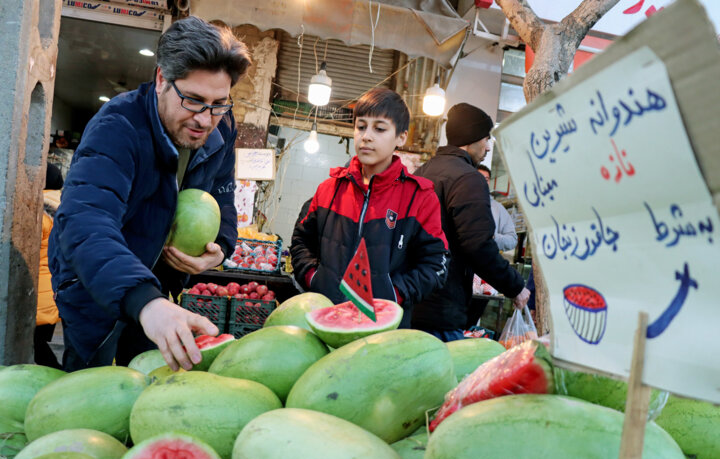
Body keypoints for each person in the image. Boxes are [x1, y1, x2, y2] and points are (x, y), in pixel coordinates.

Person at [48, 16, 251, 372]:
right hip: (95, 282)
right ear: (161, 79)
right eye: (193, 100)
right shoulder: (117, 127)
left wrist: (218, 251)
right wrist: (146, 302)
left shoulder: (221, 131)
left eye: (219, 103)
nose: (206, 119)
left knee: (148, 383)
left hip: (158, 286)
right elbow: (85, 222)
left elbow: (223, 205)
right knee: (90, 388)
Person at [291, 88, 449, 327]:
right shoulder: (329, 189)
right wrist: (314, 278)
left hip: (383, 330)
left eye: (380, 128)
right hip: (325, 322)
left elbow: (436, 264)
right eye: (361, 126)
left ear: (401, 137)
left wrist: (395, 294)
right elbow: (301, 241)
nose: (366, 136)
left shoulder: (419, 198)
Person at [412, 102, 530, 341]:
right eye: (486, 139)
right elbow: (478, 245)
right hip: (442, 308)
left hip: (411, 299)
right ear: (472, 138)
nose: (487, 148)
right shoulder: (468, 179)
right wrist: (515, 286)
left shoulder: (422, 172)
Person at [35, 163, 64, 369]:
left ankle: (58, 380)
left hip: (36, 294)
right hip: (53, 293)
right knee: (40, 344)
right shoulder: (65, 207)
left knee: (37, 347)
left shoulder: (39, 212)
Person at [477, 164, 517, 252]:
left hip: (486, 262)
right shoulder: (460, 202)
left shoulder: (497, 208)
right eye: (479, 177)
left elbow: (512, 240)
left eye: (486, 179)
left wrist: (494, 237)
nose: (483, 181)